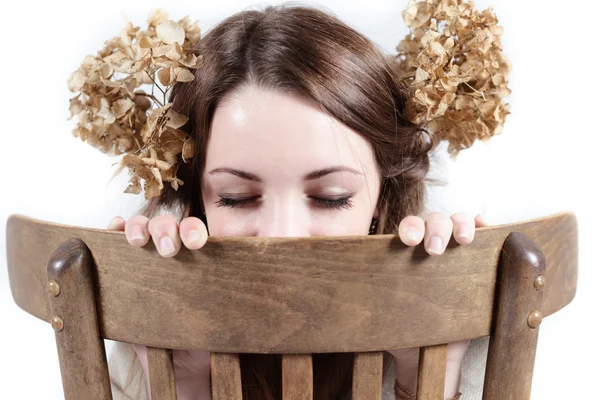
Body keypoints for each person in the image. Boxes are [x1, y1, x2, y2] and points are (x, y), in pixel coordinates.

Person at [105, 4, 488, 400]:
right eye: (237, 199)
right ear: (198, 196)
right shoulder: (155, 322)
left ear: (381, 192)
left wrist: (427, 375)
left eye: (331, 198)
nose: (282, 235)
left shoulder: (453, 314)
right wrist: (182, 383)